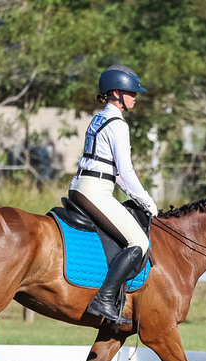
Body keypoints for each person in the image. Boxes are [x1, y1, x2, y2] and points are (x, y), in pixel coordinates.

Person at [68, 64, 159, 323]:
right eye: (131, 92)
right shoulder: (118, 124)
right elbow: (127, 173)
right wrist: (148, 202)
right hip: (95, 190)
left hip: (81, 186)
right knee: (139, 242)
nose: (135, 97)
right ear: (116, 93)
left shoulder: (99, 118)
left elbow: (115, 172)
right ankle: (105, 298)